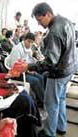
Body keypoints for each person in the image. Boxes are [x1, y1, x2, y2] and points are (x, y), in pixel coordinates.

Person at [16, 2, 78, 137]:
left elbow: (50, 63)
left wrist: (29, 66)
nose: (39, 24)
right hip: (70, 68)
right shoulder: (66, 21)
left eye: (39, 20)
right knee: (60, 99)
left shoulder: (54, 31)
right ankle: (61, 127)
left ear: (48, 14)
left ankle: (49, 133)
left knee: (50, 104)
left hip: (59, 73)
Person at [0, 32, 42, 137]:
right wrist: (6, 91)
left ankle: (34, 123)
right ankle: (36, 121)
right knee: (25, 100)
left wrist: (7, 75)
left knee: (24, 94)